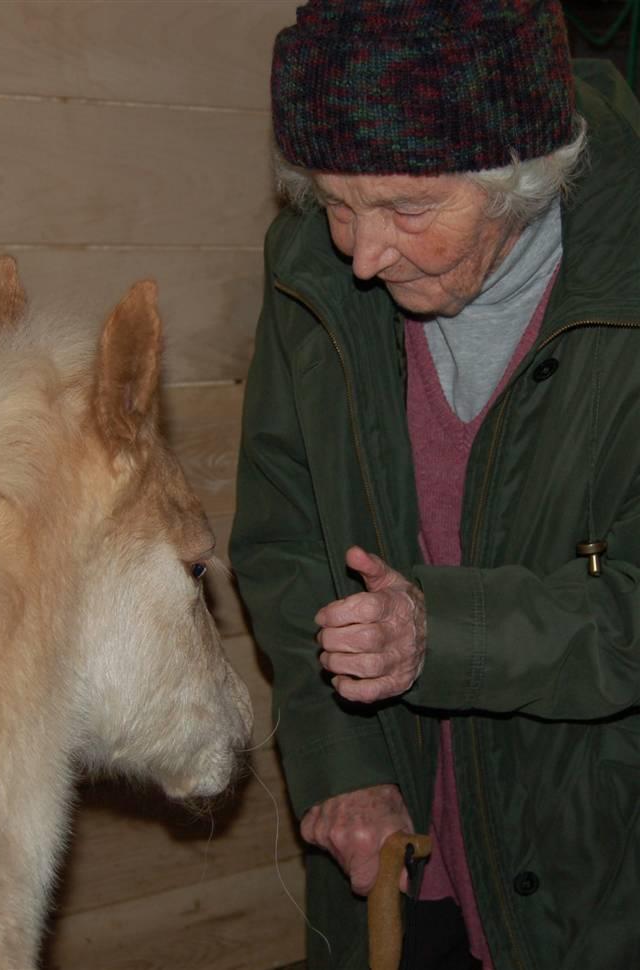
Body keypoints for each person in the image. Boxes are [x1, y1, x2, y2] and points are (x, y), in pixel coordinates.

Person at [230, 1, 640, 968]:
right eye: (334, 200)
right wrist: (342, 760)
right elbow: (285, 533)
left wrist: (443, 633)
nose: (361, 256)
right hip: (404, 853)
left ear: (525, 182)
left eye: (409, 209)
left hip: (599, 859)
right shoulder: (310, 266)